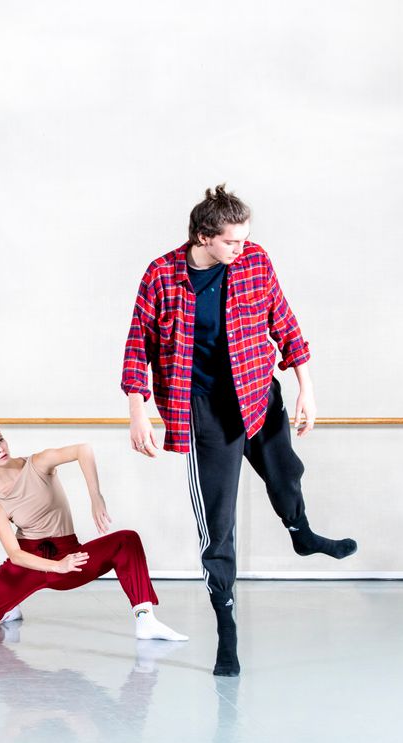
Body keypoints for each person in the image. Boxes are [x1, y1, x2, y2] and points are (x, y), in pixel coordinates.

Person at [121, 184, 357, 677]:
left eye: (244, 239)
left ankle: (300, 532)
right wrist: (137, 410)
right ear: (203, 237)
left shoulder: (255, 262)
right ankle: (226, 625)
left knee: (286, 473)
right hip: (204, 409)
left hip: (256, 392)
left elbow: (284, 322)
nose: (240, 248)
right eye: (231, 241)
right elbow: (138, 344)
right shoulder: (162, 275)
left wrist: (306, 389)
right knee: (218, 520)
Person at [0, 414, 186, 641]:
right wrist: (57, 566)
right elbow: (16, 555)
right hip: (29, 561)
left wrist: (95, 496)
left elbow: (82, 450)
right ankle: (10, 607)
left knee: (127, 540)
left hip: (68, 554)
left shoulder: (37, 463)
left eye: (0, 440)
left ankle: (146, 620)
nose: (0, 448)